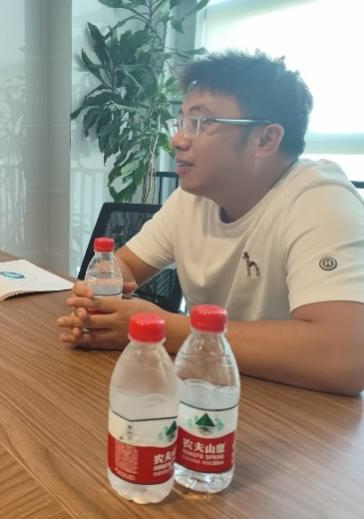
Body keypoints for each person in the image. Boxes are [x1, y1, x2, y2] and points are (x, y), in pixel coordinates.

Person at [57, 51, 364, 396]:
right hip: (212, 391)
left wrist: (164, 328)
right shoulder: (193, 199)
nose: (177, 140)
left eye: (200, 123)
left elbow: (347, 355)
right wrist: (99, 303)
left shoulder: (320, 200)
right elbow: (123, 265)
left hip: (301, 411)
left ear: (265, 139)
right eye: (181, 122)